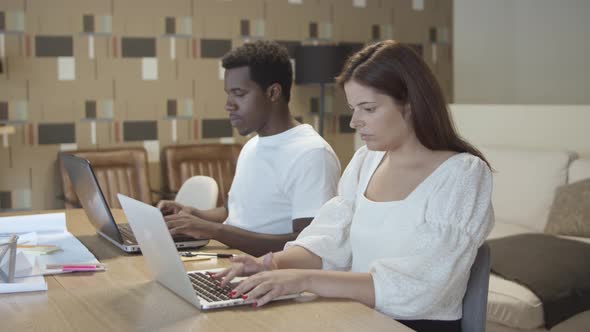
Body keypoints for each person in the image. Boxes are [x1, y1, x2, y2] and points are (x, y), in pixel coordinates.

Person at [213, 40, 494, 332]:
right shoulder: (366, 161)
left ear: (410, 104)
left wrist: (303, 279)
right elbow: (329, 239)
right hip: (356, 317)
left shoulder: (463, 174)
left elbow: (421, 286)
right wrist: (270, 265)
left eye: (368, 108)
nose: (355, 122)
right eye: (353, 108)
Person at [157, 41, 341, 257]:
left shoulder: (312, 154)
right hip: (232, 262)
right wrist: (193, 215)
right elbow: (231, 212)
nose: (228, 105)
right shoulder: (252, 146)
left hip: (269, 276)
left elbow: (307, 244)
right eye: (228, 94)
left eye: (239, 94)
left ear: (273, 93)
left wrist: (213, 231)